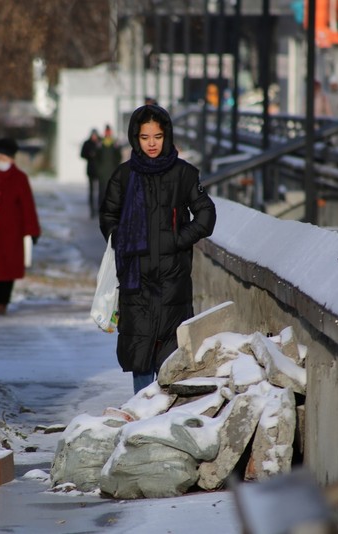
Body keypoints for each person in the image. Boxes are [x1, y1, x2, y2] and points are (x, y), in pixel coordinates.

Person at [99, 104, 217, 394]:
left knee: (170, 354)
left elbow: (206, 216)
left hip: (172, 280)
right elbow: (108, 217)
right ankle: (142, 414)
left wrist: (176, 240)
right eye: (144, 137)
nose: (151, 143)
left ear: (167, 136)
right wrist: (124, 241)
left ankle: (164, 416)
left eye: (157, 136)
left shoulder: (184, 174)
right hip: (135, 280)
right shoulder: (124, 176)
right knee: (140, 351)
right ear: (135, 139)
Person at [0, 138, 41, 315]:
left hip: (11, 232)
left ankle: (2, 301)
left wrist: (32, 231)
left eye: (4, 157)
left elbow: (27, 206)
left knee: (7, 269)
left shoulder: (20, 178)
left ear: (11, 158)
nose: (0, 160)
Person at [94, 124, 122, 215]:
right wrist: (98, 170)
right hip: (102, 172)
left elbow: (118, 157)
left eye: (109, 131)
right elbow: (97, 158)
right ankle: (101, 209)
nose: (108, 133)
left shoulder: (114, 144)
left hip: (112, 171)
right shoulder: (101, 144)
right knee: (102, 191)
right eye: (107, 131)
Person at [80, 129, 101, 217]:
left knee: (101, 191)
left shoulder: (100, 143)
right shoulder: (87, 143)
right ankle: (92, 210)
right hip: (91, 170)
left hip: (100, 170)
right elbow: (82, 154)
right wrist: (89, 155)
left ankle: (99, 209)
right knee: (92, 191)